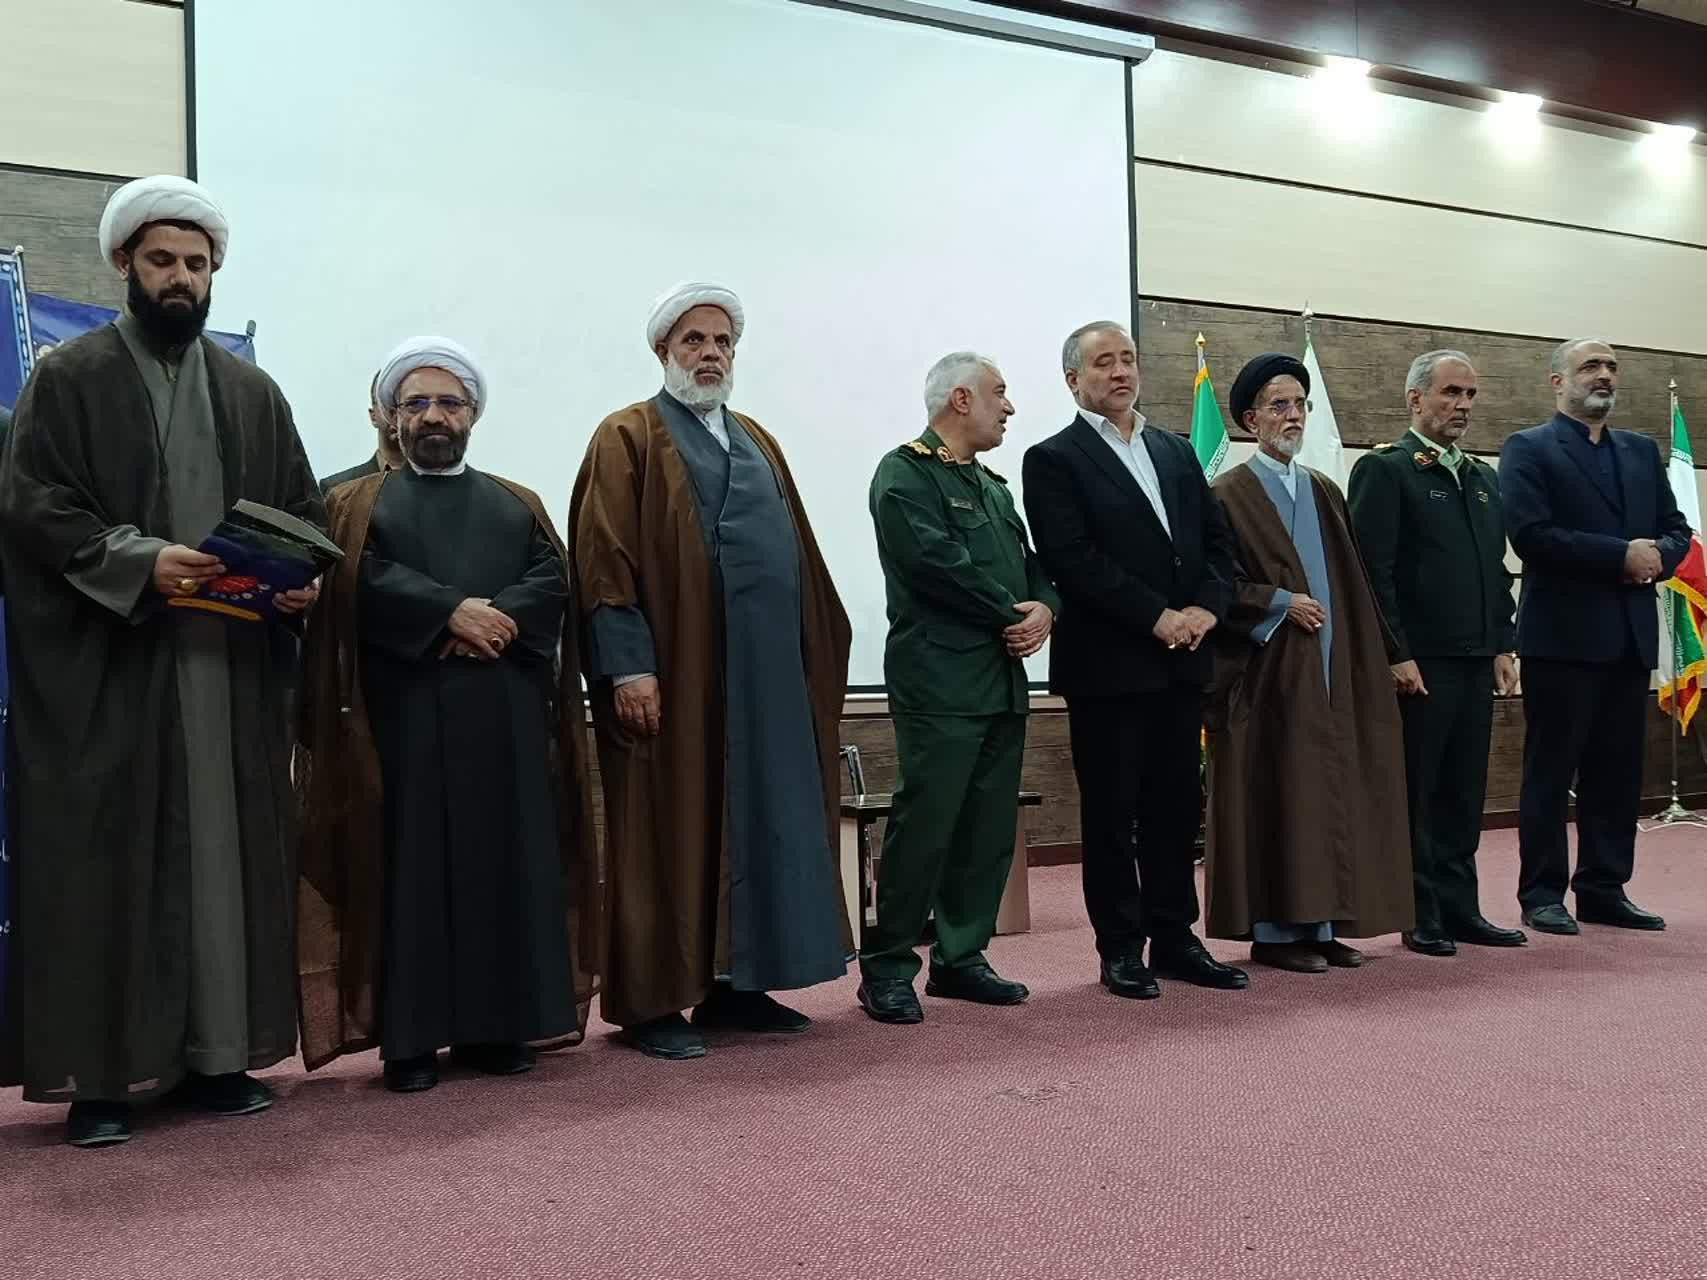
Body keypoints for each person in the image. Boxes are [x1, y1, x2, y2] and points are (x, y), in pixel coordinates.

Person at [0, 175, 322, 1147]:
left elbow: (302, 512)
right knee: (103, 867)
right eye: (161, 261)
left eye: (196, 263)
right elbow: (33, 505)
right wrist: (141, 560)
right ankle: (103, 1079)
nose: (180, 278)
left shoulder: (252, 392)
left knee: (223, 863)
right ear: (123, 265)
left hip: (225, 673)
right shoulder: (69, 377)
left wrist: (300, 584)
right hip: (115, 673)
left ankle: (219, 1057)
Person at [296, 337, 599, 1091]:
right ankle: (411, 1039)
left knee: (506, 865)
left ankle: (496, 1029)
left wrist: (495, 620)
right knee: (410, 870)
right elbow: (358, 580)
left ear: (472, 415)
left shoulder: (516, 502)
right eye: (417, 403)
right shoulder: (357, 504)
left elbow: (552, 579)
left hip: (504, 721)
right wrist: (447, 613)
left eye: (449, 403)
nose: (433, 416)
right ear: (392, 417)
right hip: (403, 721)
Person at [570, 283, 851, 1059]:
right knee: (666, 828)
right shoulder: (626, 436)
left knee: (759, 825)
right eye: (694, 340)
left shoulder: (757, 439)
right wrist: (627, 668)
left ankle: (738, 988)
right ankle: (652, 1004)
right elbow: (603, 561)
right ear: (663, 350)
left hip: (763, 689)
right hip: (677, 678)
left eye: (722, 342)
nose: (710, 354)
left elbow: (800, 560)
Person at [1021, 322, 1247, 999]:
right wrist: (1156, 616)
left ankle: (1175, 937)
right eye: (1103, 362)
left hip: (1184, 660)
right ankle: (1120, 947)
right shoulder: (1052, 459)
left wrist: (1207, 609)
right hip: (1110, 666)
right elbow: (1071, 559)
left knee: (1176, 810)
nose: (1120, 372)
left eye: (1127, 359)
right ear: (1073, 380)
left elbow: (1217, 543)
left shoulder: (1173, 450)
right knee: (1113, 816)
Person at [857, 353, 1059, 1024]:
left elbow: (1032, 567)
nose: (1010, 407)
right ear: (961, 399)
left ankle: (961, 958)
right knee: (926, 825)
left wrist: (1045, 608)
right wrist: (1013, 612)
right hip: (940, 680)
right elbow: (934, 563)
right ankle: (887, 968)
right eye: (999, 393)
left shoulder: (994, 488)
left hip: (1000, 681)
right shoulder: (904, 473)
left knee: (987, 829)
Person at [1205, 352, 1413, 973]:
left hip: (1331, 670)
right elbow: (1212, 583)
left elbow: (1356, 584)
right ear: (1251, 419)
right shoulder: (1226, 494)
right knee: (1281, 793)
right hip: (1267, 676)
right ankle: (1275, 933)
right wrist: (1276, 602)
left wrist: (1386, 657)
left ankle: (1325, 925)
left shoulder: (1324, 490)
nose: (1293, 415)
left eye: (1300, 404)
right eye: (1279, 405)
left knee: (1332, 791)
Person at [1500, 338, 1690, 935]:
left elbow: (1676, 529)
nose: (1603, 375)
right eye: (1590, 366)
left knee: (1617, 773)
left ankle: (1604, 888)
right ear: (1558, 381)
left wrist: (1657, 557)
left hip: (1629, 638)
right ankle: (1542, 894)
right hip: (1561, 639)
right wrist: (1620, 556)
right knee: (1551, 773)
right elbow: (1531, 535)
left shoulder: (1640, 450)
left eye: (1610, 366)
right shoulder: (1528, 447)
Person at [1348, 351, 1527, 957]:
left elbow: (1495, 571)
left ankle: (1461, 906)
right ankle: (1420, 910)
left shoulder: (1482, 478)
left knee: (1463, 791)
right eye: (1451, 393)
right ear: (1415, 399)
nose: (1463, 406)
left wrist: (1503, 643)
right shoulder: (1387, 470)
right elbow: (1373, 573)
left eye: (1470, 395)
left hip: (1476, 659)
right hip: (1420, 664)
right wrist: (1395, 652)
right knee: (1418, 792)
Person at [319, 370, 404, 493]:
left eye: (411, 404)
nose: (398, 414)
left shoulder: (434, 483)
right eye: (387, 403)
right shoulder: (337, 488)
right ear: (373, 416)